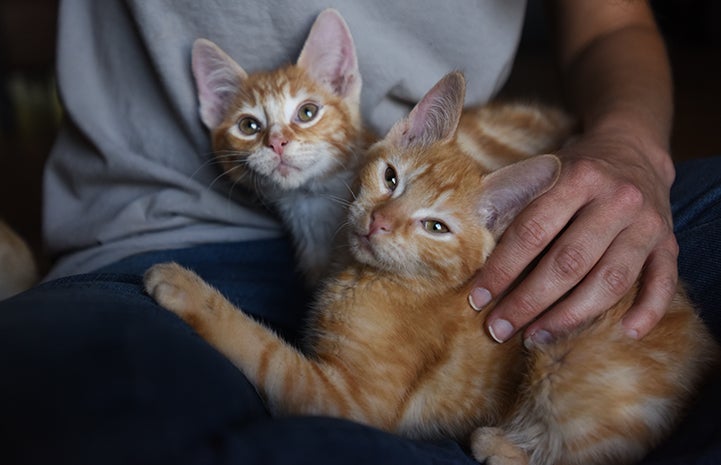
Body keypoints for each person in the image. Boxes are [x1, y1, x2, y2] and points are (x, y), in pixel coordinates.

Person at [1, 0, 719, 464]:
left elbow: (613, 22)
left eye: (302, 118)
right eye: (255, 125)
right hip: (167, 233)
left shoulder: (405, 164)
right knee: (73, 412)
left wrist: (629, 144)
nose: (280, 141)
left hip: (458, 223)